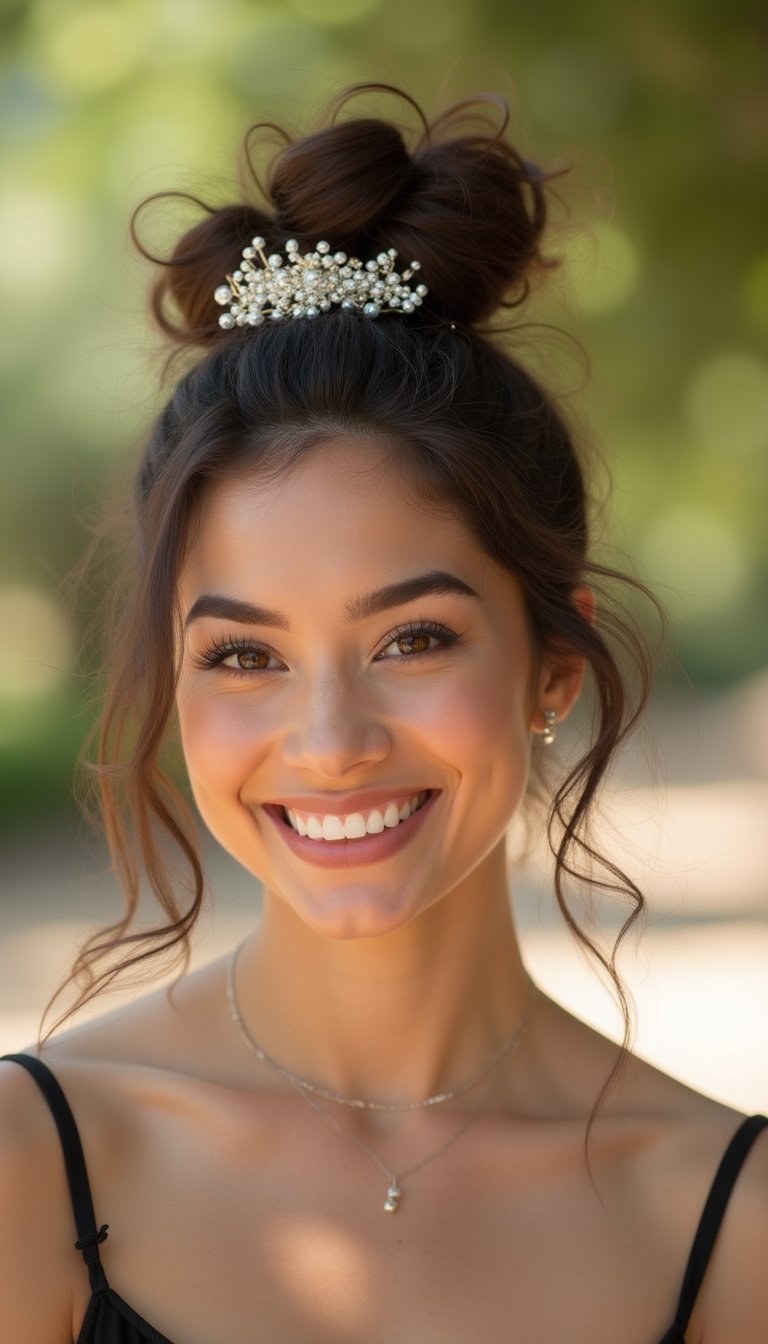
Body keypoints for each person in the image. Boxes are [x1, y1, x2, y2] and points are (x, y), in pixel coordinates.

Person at [0, 83, 765, 1344]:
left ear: (552, 665)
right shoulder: (37, 1169)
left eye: (413, 638)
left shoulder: (726, 1221)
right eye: (243, 656)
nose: (331, 739)